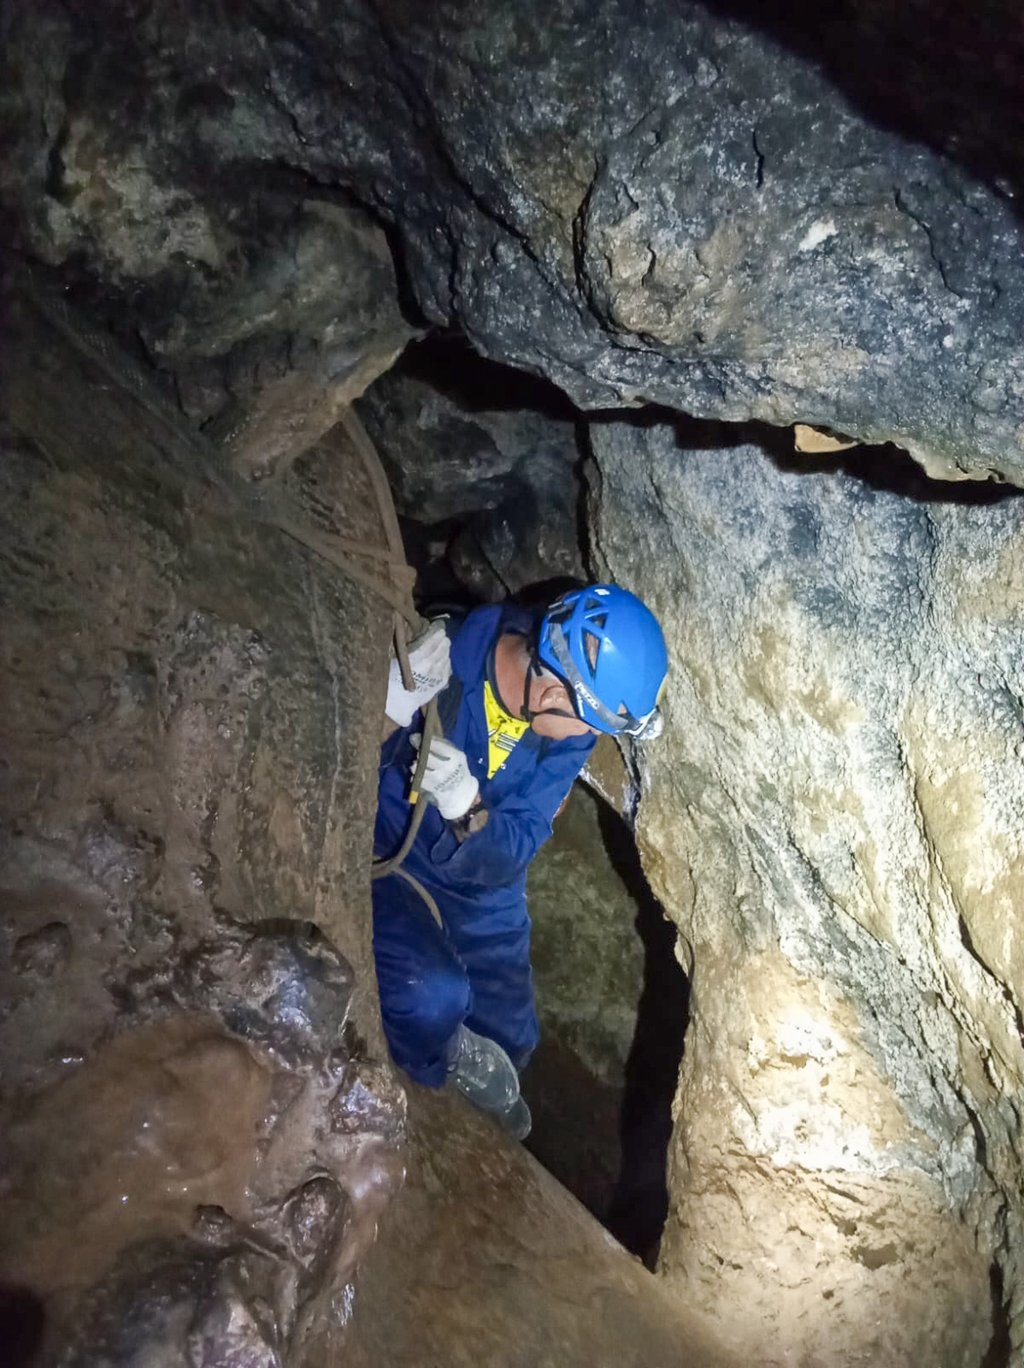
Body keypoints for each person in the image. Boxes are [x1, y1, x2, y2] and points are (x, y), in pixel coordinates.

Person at [372, 583, 668, 1137]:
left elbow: (521, 840)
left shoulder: (567, 729)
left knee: (512, 1042)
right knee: (431, 998)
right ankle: (427, 1077)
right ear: (553, 691)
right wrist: (382, 713)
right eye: (590, 724)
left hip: (481, 880)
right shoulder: (439, 660)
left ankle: (458, 1066)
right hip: (393, 854)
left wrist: (468, 809)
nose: (589, 739)